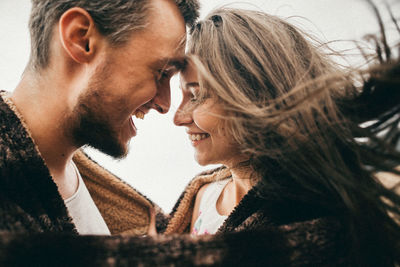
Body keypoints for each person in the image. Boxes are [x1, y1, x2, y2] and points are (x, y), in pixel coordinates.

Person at [166, 7, 400, 266]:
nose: (179, 118)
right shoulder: (203, 195)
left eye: (196, 96)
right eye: (183, 96)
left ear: (254, 96)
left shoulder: (317, 221)